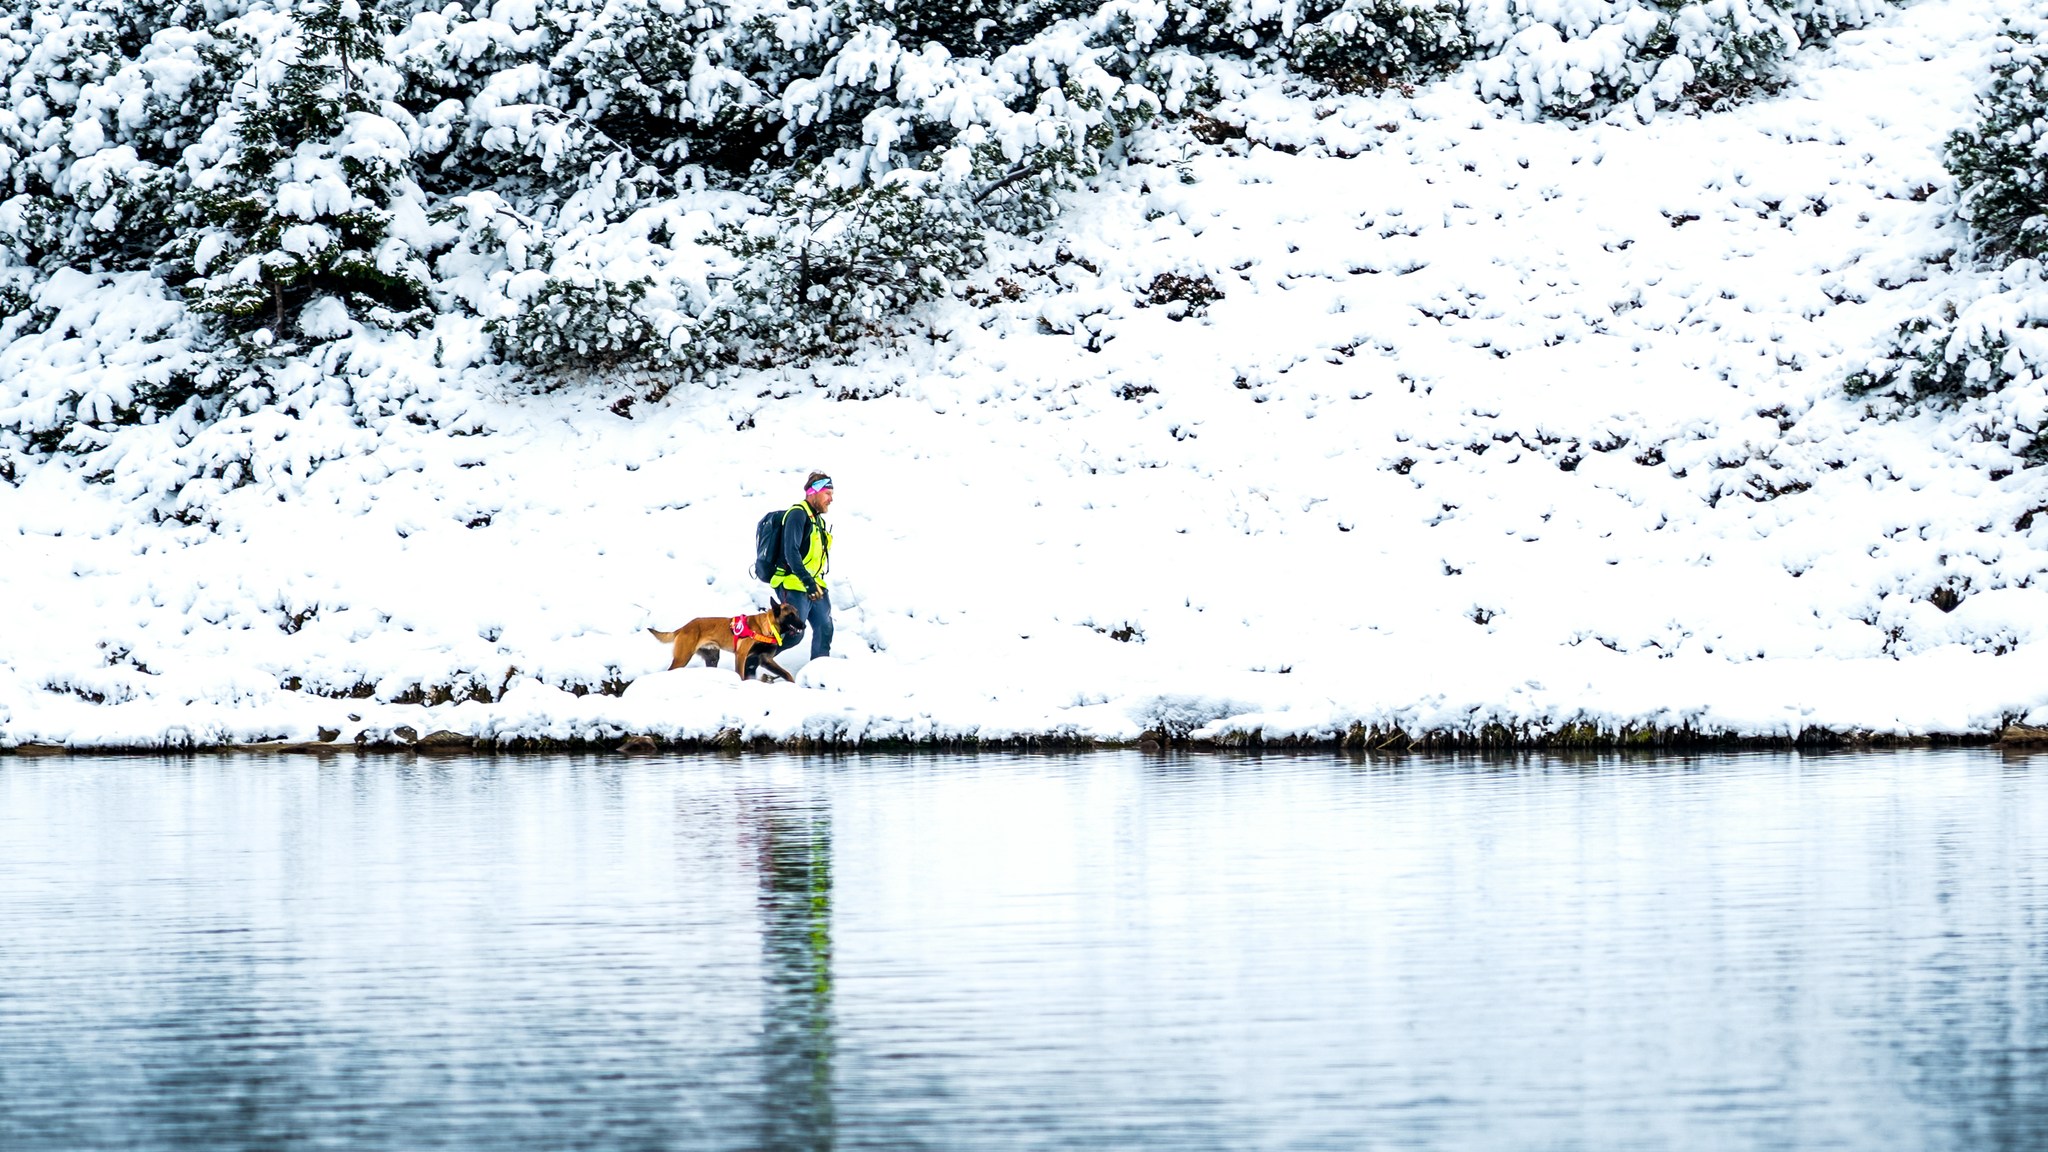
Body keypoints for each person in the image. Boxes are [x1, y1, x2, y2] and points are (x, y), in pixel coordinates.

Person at [769, 472, 835, 662]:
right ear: (812, 493)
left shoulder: (817, 521)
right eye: (827, 493)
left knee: (825, 628)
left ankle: (819, 672)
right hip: (793, 583)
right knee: (793, 633)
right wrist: (808, 582)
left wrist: (813, 583)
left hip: (813, 584)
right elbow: (791, 553)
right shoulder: (798, 515)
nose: (831, 499)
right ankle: (754, 659)